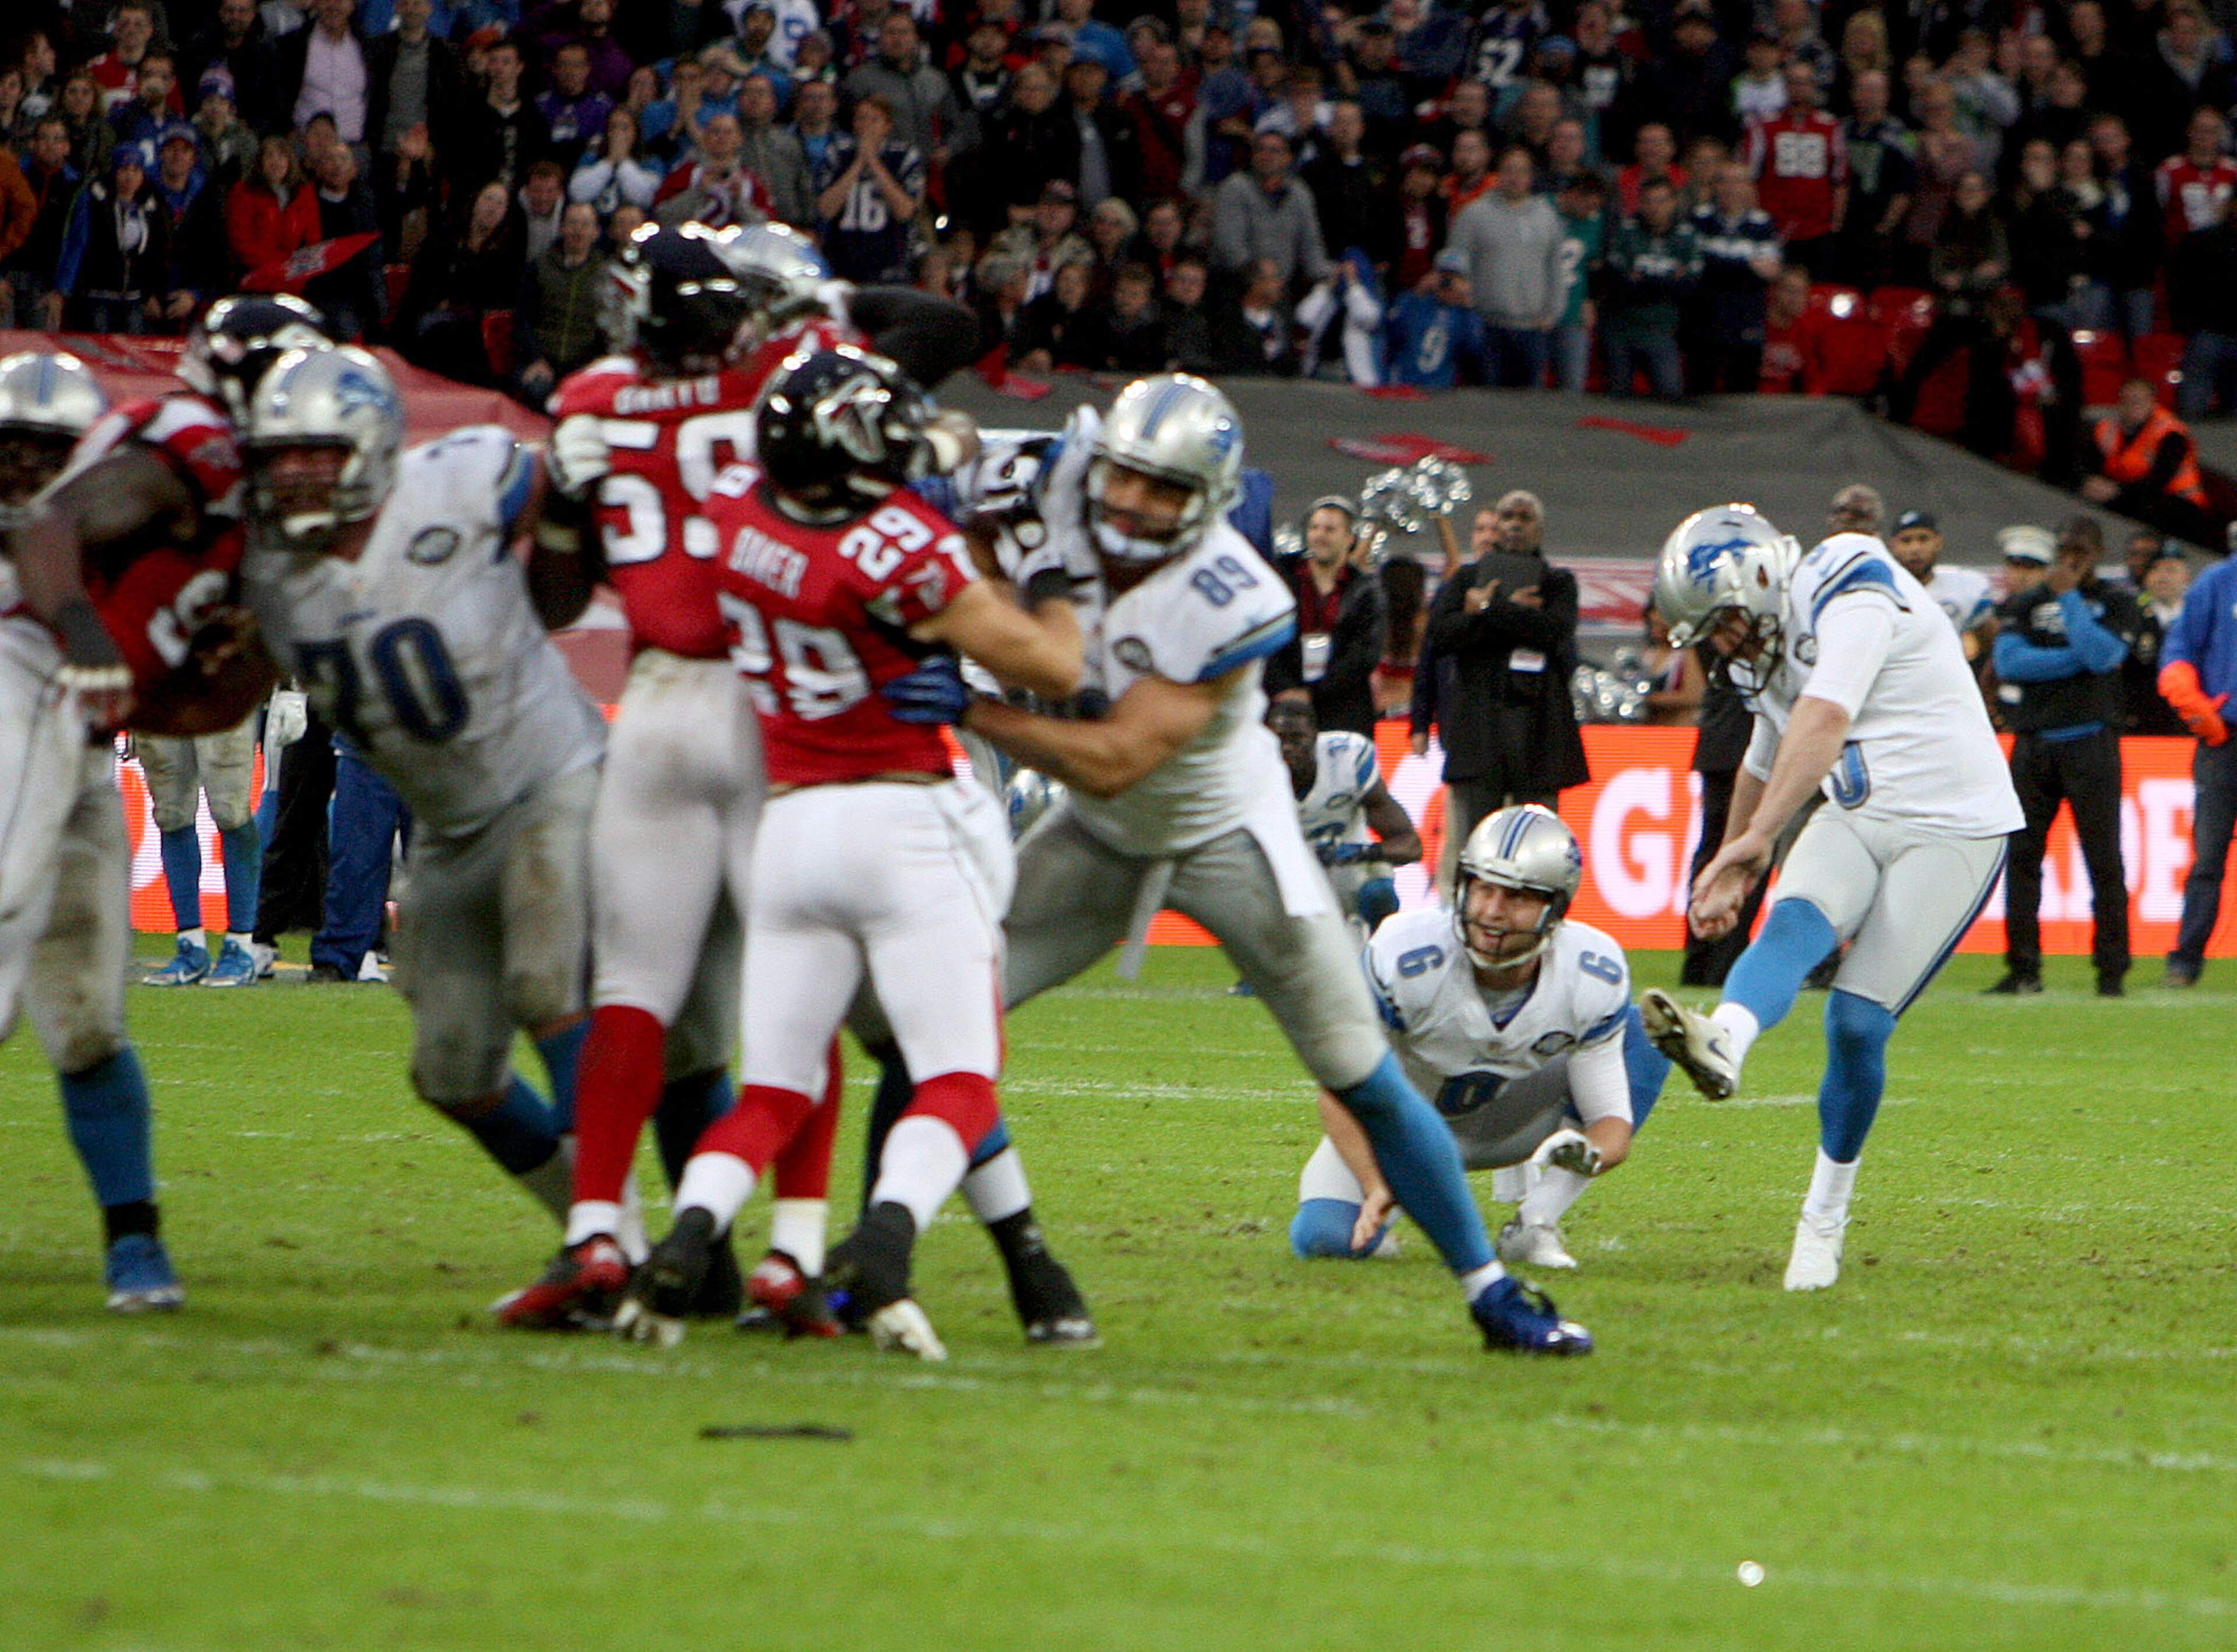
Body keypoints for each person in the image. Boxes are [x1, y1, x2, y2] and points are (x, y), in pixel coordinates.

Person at [951, 373, 1594, 1356]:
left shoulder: (1235, 591)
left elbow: (1119, 752)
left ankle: (1491, 1290)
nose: (1132, 506)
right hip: (1097, 827)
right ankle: (881, 1260)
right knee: (941, 1024)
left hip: (1222, 834)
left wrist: (947, 695)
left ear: (1206, 503)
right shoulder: (1057, 487)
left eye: (1165, 492)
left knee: (1361, 1072)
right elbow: (944, 494)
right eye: (1126, 478)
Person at [618, 347, 1086, 1359]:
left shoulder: (740, 510)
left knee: (776, 1091)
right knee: (959, 1077)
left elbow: (863, 480)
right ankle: (884, 1243)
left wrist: (939, 451)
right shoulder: (902, 549)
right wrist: (1050, 566)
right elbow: (1055, 660)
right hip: (903, 817)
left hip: (789, 827)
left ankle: (689, 1235)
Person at [238, 345, 605, 1256]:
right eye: (279, 454)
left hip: (547, 774)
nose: (295, 470)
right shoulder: (271, 573)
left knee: (546, 982)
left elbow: (563, 517)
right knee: (451, 1071)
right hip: (446, 827)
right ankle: (604, 1227)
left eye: (314, 450)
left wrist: (570, 506)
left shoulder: (458, 477)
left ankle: (610, 1242)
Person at [1641, 504, 2021, 1292]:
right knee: (1790, 926)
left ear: (1761, 581)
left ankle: (1824, 1214)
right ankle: (1726, 1042)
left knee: (1855, 1023)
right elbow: (1763, 751)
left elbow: (1823, 716)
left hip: (1954, 825)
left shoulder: (1845, 575)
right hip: (1860, 812)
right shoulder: (1758, 652)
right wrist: (1732, 857)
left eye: (1721, 623)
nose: (1720, 643)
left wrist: (1760, 839)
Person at [6, 328, 291, 1312]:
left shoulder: (136, 542)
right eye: (14, 451)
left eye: (52, 454)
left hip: (75, 763)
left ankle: (135, 1242)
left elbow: (156, 695)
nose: (31, 472)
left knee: (85, 1011)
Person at [1289, 806, 1668, 1272]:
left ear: (1557, 909)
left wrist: (1588, 1155)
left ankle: (1535, 1222)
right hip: (1403, 1129)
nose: (1492, 911)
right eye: (1484, 888)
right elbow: (1340, 1086)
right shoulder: (1405, 953)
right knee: (1325, 1238)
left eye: (1517, 897)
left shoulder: (1590, 970)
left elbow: (1611, 1123)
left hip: (1516, 1125)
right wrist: (1377, 1181)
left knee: (1647, 1031)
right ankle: (1387, 1211)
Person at [1987, 520, 2138, 997]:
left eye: (2082, 549)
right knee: (2023, 857)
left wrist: (2071, 602)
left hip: (2090, 741)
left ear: (2097, 552)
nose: (2072, 557)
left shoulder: (2117, 601)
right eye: (2066, 548)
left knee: (2104, 859)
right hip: (2033, 743)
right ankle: (2023, 969)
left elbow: (2103, 654)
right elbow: (2010, 663)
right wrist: (2074, 659)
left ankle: (2111, 971)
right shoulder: (2027, 602)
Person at [1410, 492, 1588, 852]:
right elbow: (1440, 636)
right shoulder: (1465, 579)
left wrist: (1486, 609)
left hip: (1538, 733)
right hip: (1478, 732)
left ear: (1539, 529)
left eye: (1525, 518)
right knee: (1475, 848)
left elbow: (1554, 631)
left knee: (1535, 847)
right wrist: (1512, 613)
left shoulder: (1558, 583)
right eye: (1508, 516)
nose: (1515, 525)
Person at [1266, 691, 1419, 937]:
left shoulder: (1346, 758)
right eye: (1279, 739)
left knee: (1378, 894)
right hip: (1287, 877)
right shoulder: (1251, 774)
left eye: (1296, 738)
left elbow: (1410, 846)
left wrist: (1361, 852)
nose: (1287, 749)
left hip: (1346, 867)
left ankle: (1378, 955)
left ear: (1315, 737)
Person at [2154, 546, 2237, 986]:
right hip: (2225, 738)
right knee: (2208, 858)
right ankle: (2184, 962)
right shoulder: (2216, 583)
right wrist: (2195, 705)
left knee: (2208, 859)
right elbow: (2179, 651)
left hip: (2222, 736)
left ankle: (2184, 963)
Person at [1263, 495, 1385, 735]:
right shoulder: (1279, 576)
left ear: (1349, 539)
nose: (1320, 536)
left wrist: (1313, 693)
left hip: (1343, 711)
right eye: (1314, 528)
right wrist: (1284, 689)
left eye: (1330, 529)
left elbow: (1364, 654)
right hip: (1281, 704)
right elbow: (1263, 637)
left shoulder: (1366, 590)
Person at [1449, 144, 1563, 387]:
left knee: (1529, 406)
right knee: (1487, 402)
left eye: (1522, 172)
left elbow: (1555, 268)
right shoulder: (1474, 214)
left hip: (1533, 328)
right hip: (1487, 327)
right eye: (1509, 171)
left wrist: (1553, 312)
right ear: (1498, 174)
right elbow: (1454, 263)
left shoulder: (1547, 216)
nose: (1515, 178)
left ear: (1531, 177)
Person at [2082, 378, 2213, 549]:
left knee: (2147, 509)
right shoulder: (2107, 428)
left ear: (2152, 402)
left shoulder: (2171, 433)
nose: (2133, 406)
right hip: (2130, 494)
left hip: (2179, 503)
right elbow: (2090, 462)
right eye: (2127, 401)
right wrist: (2092, 482)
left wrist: (2117, 491)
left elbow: (2160, 479)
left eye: (2139, 401)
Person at [1887, 508, 1993, 665]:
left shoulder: (1964, 586)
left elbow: (1990, 644)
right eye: (1906, 541)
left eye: (1923, 539)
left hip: (1947, 679)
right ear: (1892, 546)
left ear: (1938, 542)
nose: (1915, 549)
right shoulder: (1882, 589)